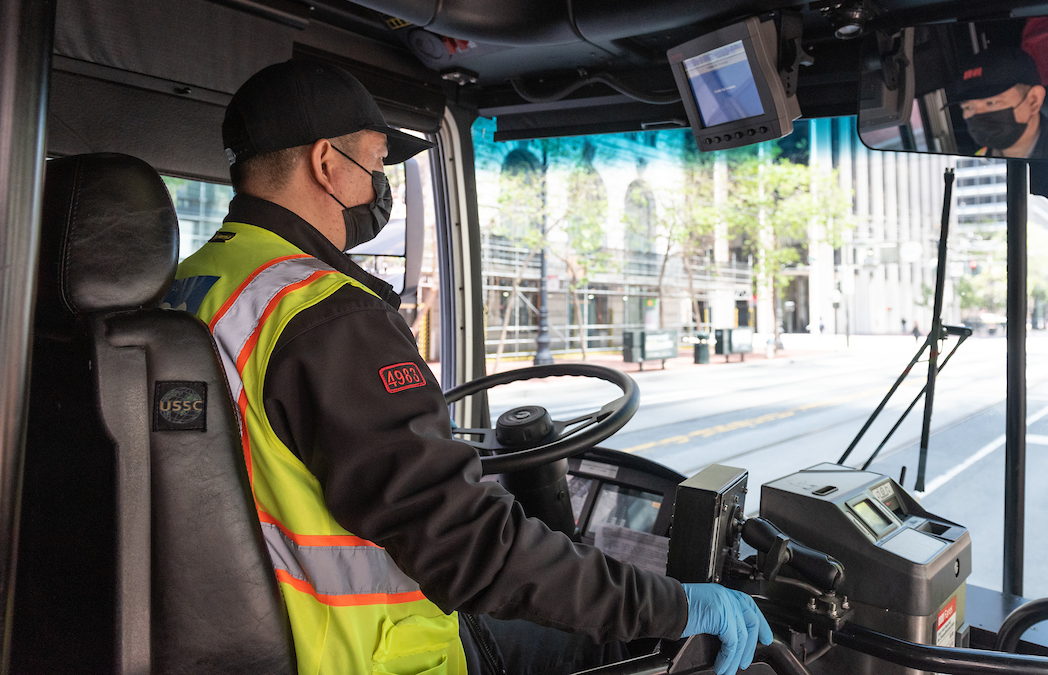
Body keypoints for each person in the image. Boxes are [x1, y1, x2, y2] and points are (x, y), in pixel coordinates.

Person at [163, 60, 770, 675]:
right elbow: (465, 544)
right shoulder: (324, 312)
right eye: (375, 164)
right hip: (370, 651)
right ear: (326, 164)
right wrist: (674, 607)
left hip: (256, 633)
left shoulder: (193, 287)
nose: (379, 185)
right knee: (617, 642)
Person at [947, 48, 1048, 160]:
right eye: (968, 107)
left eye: (991, 102)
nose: (978, 115)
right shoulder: (974, 163)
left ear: (1033, 100)